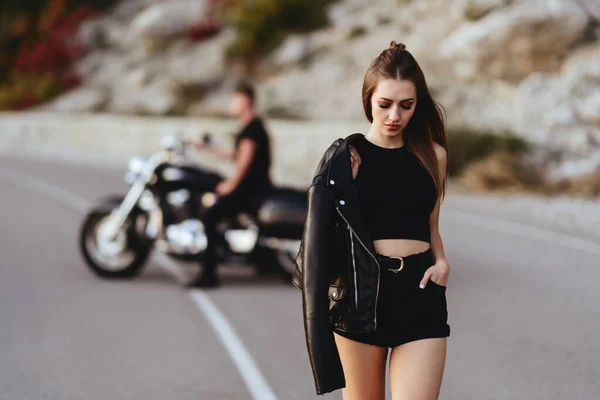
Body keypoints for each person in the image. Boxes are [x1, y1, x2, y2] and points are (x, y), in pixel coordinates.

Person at [293, 41, 451, 398]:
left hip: (421, 293)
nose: (395, 115)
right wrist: (342, 183)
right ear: (368, 101)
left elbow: (431, 224)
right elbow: (320, 235)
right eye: (385, 104)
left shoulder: (433, 155)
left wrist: (441, 261)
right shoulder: (345, 158)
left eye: (406, 105)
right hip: (361, 299)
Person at [186, 81, 272, 288]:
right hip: (253, 187)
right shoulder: (252, 126)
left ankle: (209, 274)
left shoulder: (252, 129)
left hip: (250, 190)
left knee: (210, 216)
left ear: (245, 101)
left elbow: (245, 161)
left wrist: (231, 184)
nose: (232, 104)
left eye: (234, 100)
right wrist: (205, 147)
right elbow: (236, 154)